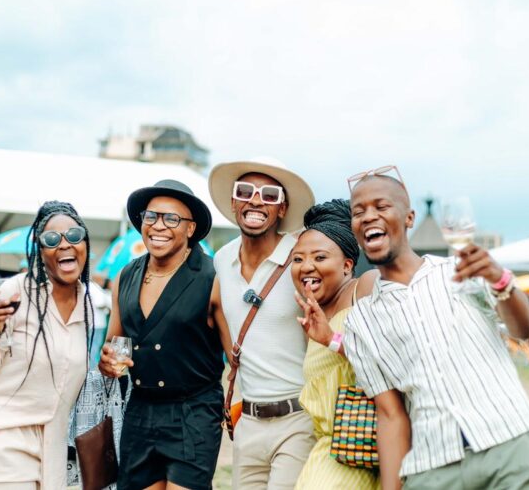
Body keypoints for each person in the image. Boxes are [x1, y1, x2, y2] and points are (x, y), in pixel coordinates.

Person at [340, 166, 529, 489]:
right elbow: (390, 416)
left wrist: (500, 280)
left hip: (509, 444)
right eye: (358, 212)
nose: (368, 217)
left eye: (381, 207)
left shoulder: (463, 271)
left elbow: (523, 330)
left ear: (408, 219)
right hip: (432, 468)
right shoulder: (360, 322)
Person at [0, 201, 95, 488]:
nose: (65, 244)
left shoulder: (87, 305)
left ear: (85, 244)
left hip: (51, 447)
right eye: (52, 239)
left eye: (74, 235)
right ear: (40, 251)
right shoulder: (16, 291)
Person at [99, 179, 225, 490]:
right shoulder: (126, 276)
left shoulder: (213, 277)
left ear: (191, 229)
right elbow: (114, 345)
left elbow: (235, 353)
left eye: (172, 219)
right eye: (151, 216)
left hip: (193, 412)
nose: (159, 226)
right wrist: (108, 363)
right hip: (140, 411)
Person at [208, 157, 316, 489]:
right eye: (246, 191)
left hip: (298, 418)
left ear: (282, 209)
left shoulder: (301, 255)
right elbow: (215, 308)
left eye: (269, 194)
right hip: (248, 422)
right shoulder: (223, 258)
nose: (256, 200)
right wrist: (234, 353)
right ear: (233, 202)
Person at [290, 199, 380, 489]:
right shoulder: (312, 317)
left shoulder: (366, 287)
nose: (306, 267)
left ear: (346, 265)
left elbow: (390, 357)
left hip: (371, 445)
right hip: (332, 450)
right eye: (298, 259)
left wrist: (333, 340)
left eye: (319, 257)